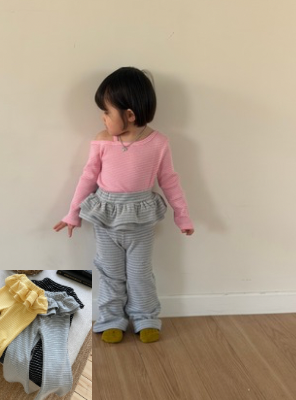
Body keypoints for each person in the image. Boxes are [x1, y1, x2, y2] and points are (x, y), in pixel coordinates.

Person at [54, 67, 194, 343]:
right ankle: (111, 319)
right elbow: (88, 178)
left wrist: (182, 216)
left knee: (140, 274)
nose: (102, 118)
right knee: (110, 274)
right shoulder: (102, 141)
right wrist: (73, 214)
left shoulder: (158, 143)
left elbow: (169, 180)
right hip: (106, 219)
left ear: (129, 115)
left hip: (140, 221)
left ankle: (145, 317)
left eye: (107, 112)